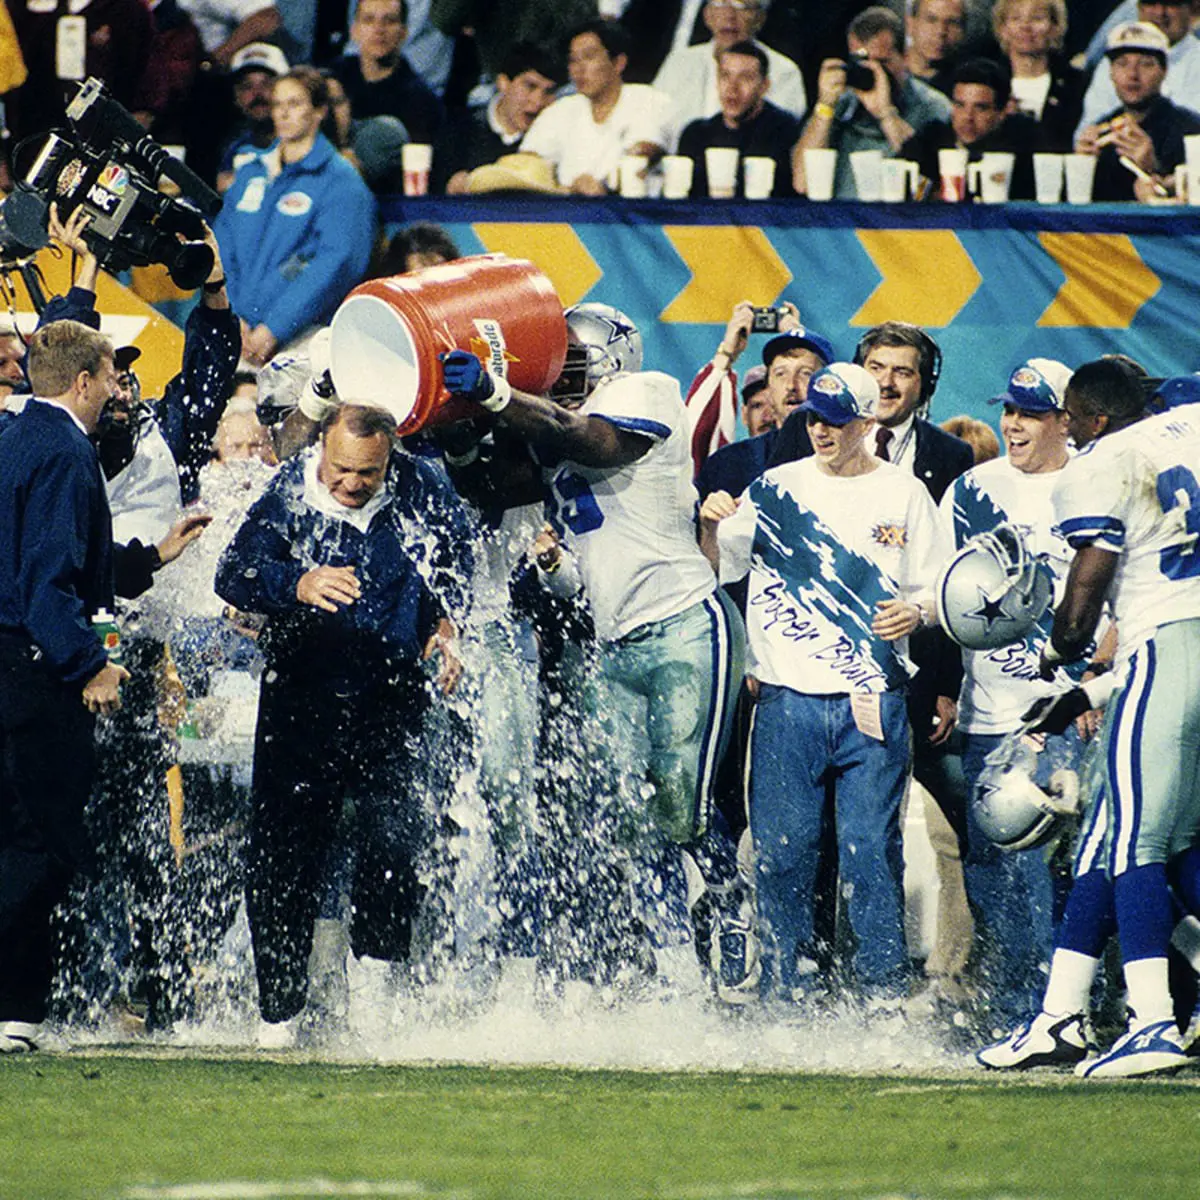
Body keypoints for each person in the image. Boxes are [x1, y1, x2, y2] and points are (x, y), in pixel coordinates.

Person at [439, 303, 749, 989]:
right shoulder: (552, 428)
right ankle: (676, 971)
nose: (560, 373)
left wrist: (493, 391)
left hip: (685, 625)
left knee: (676, 803)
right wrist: (458, 431)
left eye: (572, 359)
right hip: (612, 644)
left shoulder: (645, 393)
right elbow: (493, 485)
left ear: (613, 358)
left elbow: (593, 441)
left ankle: (728, 898)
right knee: (630, 815)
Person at [214, 403, 473, 1035]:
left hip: (392, 697)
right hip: (301, 696)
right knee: (281, 859)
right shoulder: (291, 492)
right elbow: (233, 573)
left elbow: (456, 564)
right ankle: (279, 1015)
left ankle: (379, 999)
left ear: (390, 457)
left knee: (394, 844)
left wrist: (446, 626)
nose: (351, 484)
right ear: (320, 451)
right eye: (341, 469)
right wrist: (297, 582)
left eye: (367, 472)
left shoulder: (422, 484)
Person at [699, 362, 949, 1005]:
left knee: (869, 848)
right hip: (787, 701)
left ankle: (884, 987)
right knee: (784, 853)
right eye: (814, 418)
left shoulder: (905, 494)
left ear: (868, 423)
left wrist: (917, 612)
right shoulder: (775, 488)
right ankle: (787, 986)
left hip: (875, 700)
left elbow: (937, 588)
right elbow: (714, 570)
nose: (822, 430)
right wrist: (708, 522)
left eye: (837, 421)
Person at [1028, 356, 1200, 1077]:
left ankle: (1153, 1022)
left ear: (1091, 420)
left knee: (1133, 843)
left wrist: (1055, 646)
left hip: (1164, 643)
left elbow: (1083, 604)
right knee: (1175, 841)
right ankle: (1057, 1020)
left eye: (1069, 420)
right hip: (1183, 648)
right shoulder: (1188, 429)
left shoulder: (1103, 464)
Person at [939, 357, 1098, 1031]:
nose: (1013, 423)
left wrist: (1092, 687)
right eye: (1009, 410)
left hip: (1069, 710)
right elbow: (940, 592)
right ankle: (1013, 1007)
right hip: (989, 710)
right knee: (992, 868)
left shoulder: (1096, 484)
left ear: (1066, 420)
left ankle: (1060, 1009)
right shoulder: (972, 488)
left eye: (1031, 413)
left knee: (1056, 870)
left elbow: (1120, 595)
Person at [0, 320, 127, 1052]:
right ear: (84, 383)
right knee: (44, 843)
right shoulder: (64, 453)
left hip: (7, 661)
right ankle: (14, 1004)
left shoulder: (12, 438)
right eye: (109, 379)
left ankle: (15, 1013)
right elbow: (48, 584)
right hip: (33, 672)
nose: (114, 393)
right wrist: (90, 663)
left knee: (14, 836)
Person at [213, 65, 376, 367]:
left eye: (295, 104)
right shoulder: (250, 174)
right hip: (239, 335)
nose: (283, 114)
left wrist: (274, 329)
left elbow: (335, 265)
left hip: (304, 340)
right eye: (278, 105)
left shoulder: (341, 183)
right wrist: (231, 317)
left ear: (319, 111)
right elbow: (222, 249)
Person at [793, 5, 951, 199]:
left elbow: (929, 190)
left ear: (906, 58)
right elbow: (801, 183)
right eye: (863, 61)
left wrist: (886, 113)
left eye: (883, 62)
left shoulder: (933, 107)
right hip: (840, 222)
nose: (873, 71)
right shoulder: (840, 103)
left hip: (902, 223)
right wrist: (825, 107)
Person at [692, 308, 835, 498]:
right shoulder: (730, 465)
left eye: (805, 373)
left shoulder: (850, 457)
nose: (791, 386)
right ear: (768, 388)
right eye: (780, 374)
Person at [521, 21, 676, 195]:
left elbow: (641, 156)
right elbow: (527, 163)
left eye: (588, 57)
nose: (579, 69)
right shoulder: (561, 110)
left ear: (618, 63)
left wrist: (600, 187)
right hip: (570, 212)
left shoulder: (649, 100)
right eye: (573, 60)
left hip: (635, 215)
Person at [1074, 20, 1200, 203]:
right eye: (1122, 64)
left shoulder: (1191, 129)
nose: (1133, 74)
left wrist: (1155, 168)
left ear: (1164, 71)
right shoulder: (1101, 131)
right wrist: (1082, 168)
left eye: (1146, 64)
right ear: (1110, 73)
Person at [902, 57, 1042, 201]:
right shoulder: (929, 140)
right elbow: (904, 184)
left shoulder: (1023, 147)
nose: (968, 117)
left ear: (1002, 112)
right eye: (960, 105)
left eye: (980, 108)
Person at [432, 42, 563, 194]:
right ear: (503, 83)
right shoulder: (458, 132)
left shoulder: (556, 139)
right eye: (530, 86)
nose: (538, 101)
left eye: (549, 91)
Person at [676, 41, 802, 199]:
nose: (732, 88)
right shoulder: (696, 134)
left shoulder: (784, 131)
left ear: (764, 86)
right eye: (725, 76)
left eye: (745, 78)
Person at [653, 0, 807, 128]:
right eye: (720, 4)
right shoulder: (679, 62)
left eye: (742, 6)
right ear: (707, 15)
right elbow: (655, 122)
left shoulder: (784, 71)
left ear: (760, 18)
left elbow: (783, 134)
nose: (729, 16)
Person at [1075, 0, 1200, 136]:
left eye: (1170, 4)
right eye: (1151, 3)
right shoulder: (1113, 60)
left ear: (1192, 9)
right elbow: (1089, 127)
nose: (1159, 12)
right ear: (1138, 7)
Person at [332, 0, 445, 146]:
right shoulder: (332, 78)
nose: (379, 29)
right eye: (369, 20)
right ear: (354, 31)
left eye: (389, 21)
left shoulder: (422, 102)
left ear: (404, 32)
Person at [989, 0, 1087, 152]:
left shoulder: (1077, 85)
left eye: (1037, 18)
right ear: (1002, 28)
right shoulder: (987, 81)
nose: (1026, 27)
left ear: (1055, 27)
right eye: (1016, 18)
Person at [216, 41, 290, 193]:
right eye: (246, 86)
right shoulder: (234, 148)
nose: (257, 94)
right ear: (236, 98)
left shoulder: (302, 143)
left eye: (267, 84)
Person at [905, 0, 968, 97]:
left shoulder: (970, 83)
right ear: (910, 24)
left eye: (952, 22)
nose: (941, 31)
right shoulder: (885, 72)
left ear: (963, 30)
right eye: (931, 20)